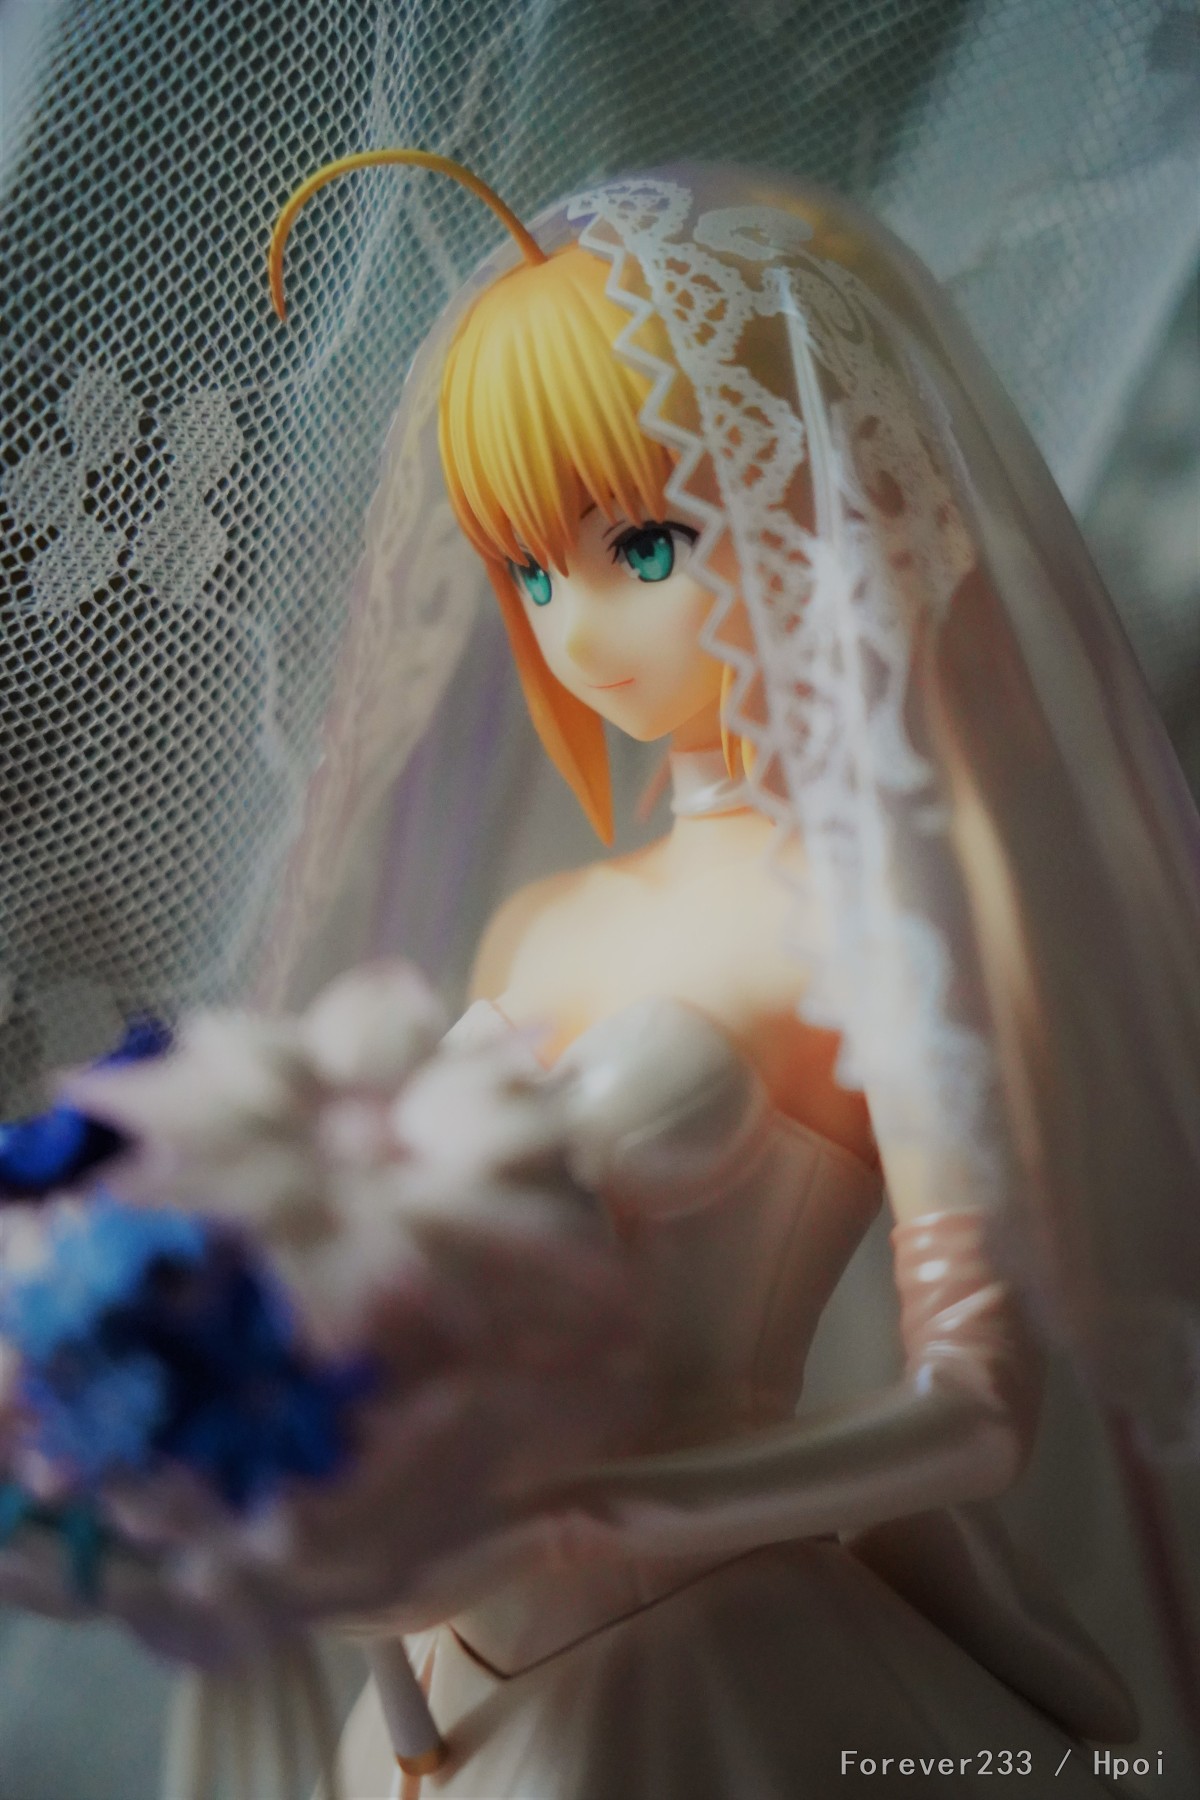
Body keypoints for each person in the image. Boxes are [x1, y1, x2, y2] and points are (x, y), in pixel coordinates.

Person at [262, 153, 1200, 1797]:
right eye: (531, 569)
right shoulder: (542, 927)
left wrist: (603, 1510)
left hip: (717, 1667)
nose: (576, 629)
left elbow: (976, 1409)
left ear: (813, 495)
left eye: (643, 542)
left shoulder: (875, 913)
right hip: (439, 1700)